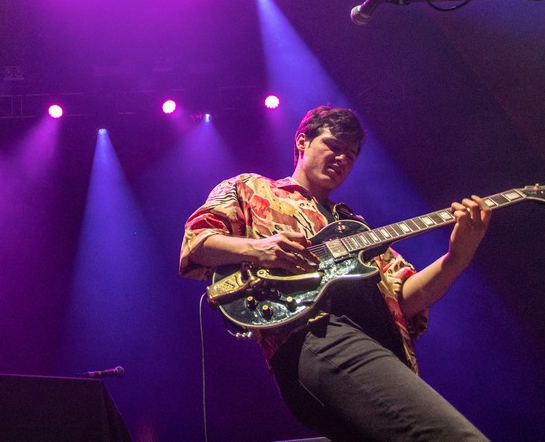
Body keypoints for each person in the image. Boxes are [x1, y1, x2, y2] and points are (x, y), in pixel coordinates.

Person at [179, 105, 491, 442]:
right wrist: (259, 248)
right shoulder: (251, 187)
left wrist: (457, 258)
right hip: (320, 337)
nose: (342, 159)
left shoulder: (354, 226)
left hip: (383, 350)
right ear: (302, 141)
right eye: (334, 146)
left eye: (351, 155)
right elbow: (196, 244)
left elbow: (404, 299)